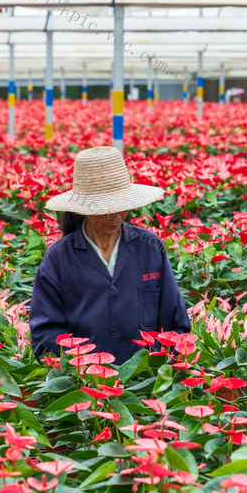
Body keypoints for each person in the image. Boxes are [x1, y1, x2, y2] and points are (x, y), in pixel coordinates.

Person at [29, 146, 191, 364]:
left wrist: (162, 363)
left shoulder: (149, 247)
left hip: (147, 375)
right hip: (85, 377)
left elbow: (175, 320)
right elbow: (45, 331)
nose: (114, 215)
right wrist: (81, 364)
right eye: (102, 209)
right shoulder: (59, 257)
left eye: (120, 206)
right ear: (83, 209)